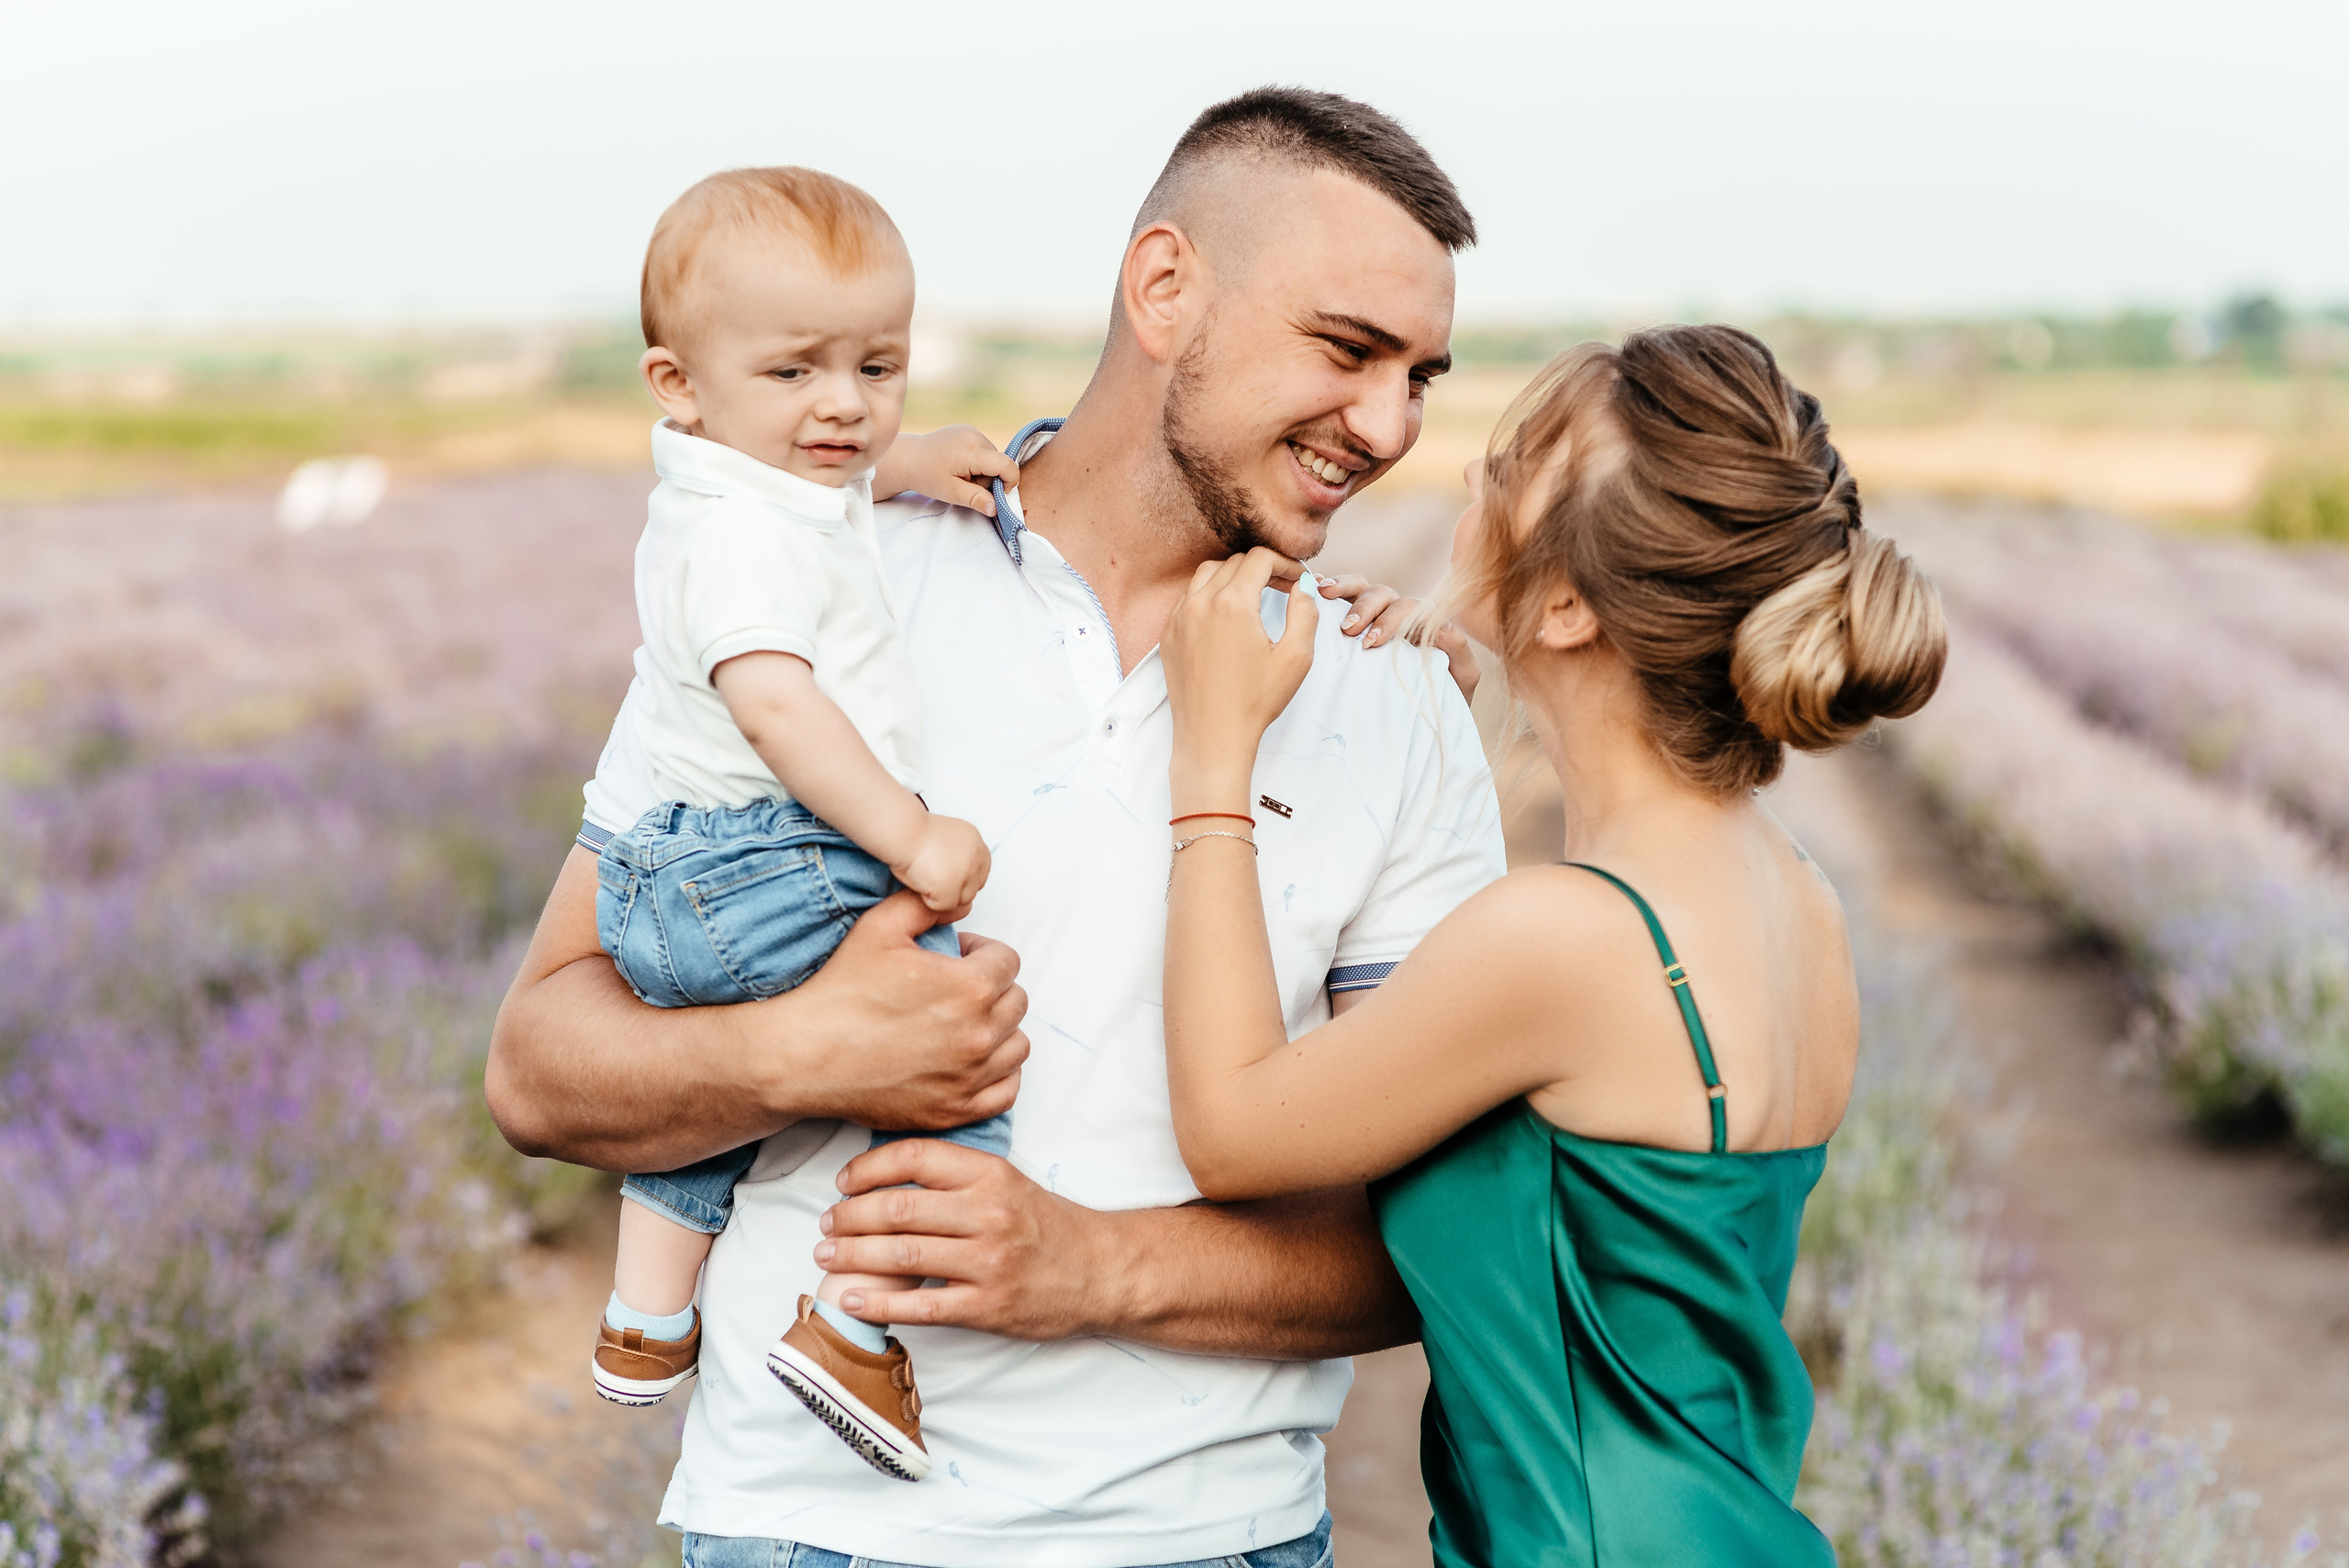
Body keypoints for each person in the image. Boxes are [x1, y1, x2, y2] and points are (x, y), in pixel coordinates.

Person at [488, 87, 1502, 1565]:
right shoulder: (818, 585)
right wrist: (807, 1051)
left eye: (1420, 375)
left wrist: (1092, 1267)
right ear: (1165, 288)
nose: (1390, 423)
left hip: (1215, 1538)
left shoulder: (1394, 698)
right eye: (1348, 351)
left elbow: (1434, 1253)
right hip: (801, 1536)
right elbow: (536, 1066)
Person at [1155, 326, 1948, 1565]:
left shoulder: (1567, 938)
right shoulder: (1798, 898)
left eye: (1517, 456)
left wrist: (1213, 759)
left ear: (1571, 603)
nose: (1475, 468)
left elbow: (1231, 1124)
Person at [579, 166, 1052, 1483]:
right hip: (751, 859)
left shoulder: (733, 483)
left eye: (877, 366)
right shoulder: (742, 546)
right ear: (677, 382)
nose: (844, 403)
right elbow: (778, 703)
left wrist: (904, 459)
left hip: (661, 882)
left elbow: (829, 473)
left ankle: (646, 1317)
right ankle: (851, 1327)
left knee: (728, 1097)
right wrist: (912, 836)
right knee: (953, 1047)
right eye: (796, 373)